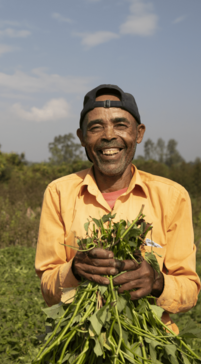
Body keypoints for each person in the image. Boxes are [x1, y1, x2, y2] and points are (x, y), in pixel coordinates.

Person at [35, 84, 200, 334]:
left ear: (139, 133)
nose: (109, 135)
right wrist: (75, 270)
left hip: (151, 343)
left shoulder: (172, 197)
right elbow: (48, 289)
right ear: (81, 137)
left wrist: (157, 282)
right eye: (96, 127)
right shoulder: (59, 193)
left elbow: (188, 290)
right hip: (78, 339)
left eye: (121, 125)